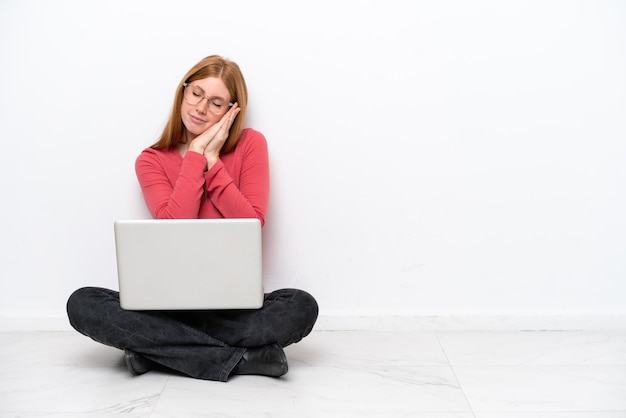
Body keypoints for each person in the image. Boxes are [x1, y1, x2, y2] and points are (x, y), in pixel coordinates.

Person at [66, 55, 318, 382]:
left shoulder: (250, 144)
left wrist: (213, 162)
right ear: (183, 92)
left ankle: (155, 351)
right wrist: (195, 155)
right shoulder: (151, 160)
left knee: (300, 306)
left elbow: (252, 224)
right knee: (83, 303)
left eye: (215, 103)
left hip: (233, 307)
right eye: (196, 93)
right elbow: (175, 226)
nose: (200, 108)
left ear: (231, 110)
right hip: (166, 305)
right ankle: (245, 358)